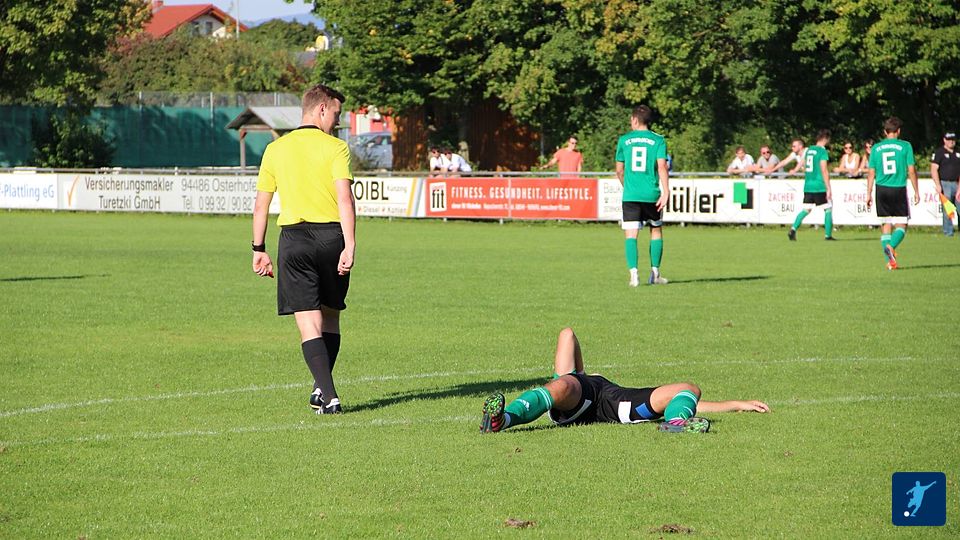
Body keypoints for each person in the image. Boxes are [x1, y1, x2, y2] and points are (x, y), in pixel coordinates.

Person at [252, 84, 356, 415]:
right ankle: (322, 390)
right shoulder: (336, 148)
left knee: (308, 323)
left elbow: (261, 205)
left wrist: (258, 248)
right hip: (331, 238)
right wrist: (350, 245)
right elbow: (345, 199)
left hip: (294, 241)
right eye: (336, 113)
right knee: (331, 316)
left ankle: (328, 394)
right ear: (321, 109)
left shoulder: (275, 149)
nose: (337, 121)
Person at [479, 327, 770, 434]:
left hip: (612, 402)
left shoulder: (577, 382)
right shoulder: (571, 383)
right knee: (564, 373)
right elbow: (569, 347)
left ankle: (676, 422)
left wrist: (735, 404)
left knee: (689, 389)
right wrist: (579, 375)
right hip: (588, 397)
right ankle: (503, 420)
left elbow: (695, 403)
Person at [615, 105, 670, 287]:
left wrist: (628, 187)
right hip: (651, 195)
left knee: (631, 234)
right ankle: (655, 273)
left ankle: (633, 275)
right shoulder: (658, 140)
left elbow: (619, 170)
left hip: (630, 195)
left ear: (635, 120)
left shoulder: (624, 140)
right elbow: (662, 166)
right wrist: (666, 191)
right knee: (655, 230)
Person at [866, 117, 919, 270]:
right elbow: (911, 170)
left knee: (886, 225)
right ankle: (891, 247)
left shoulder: (876, 148)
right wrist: (916, 190)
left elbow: (871, 173)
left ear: (885, 131)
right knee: (902, 225)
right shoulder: (905, 146)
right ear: (899, 131)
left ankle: (890, 262)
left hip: (881, 189)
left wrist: (868, 193)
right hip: (898, 188)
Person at [788, 130, 835, 241]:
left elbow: (804, 165)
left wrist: (797, 170)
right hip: (819, 185)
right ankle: (828, 235)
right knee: (828, 208)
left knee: (806, 209)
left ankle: (793, 229)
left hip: (808, 185)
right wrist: (828, 187)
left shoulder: (809, 150)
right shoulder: (822, 151)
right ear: (825, 139)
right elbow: (824, 169)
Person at [931, 131, 960, 236]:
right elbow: (934, 169)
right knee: (948, 209)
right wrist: (938, 184)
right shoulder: (939, 152)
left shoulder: (958, 152)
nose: (951, 142)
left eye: (953, 140)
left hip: (957, 183)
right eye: (949, 140)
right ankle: (948, 232)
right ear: (944, 140)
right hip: (945, 183)